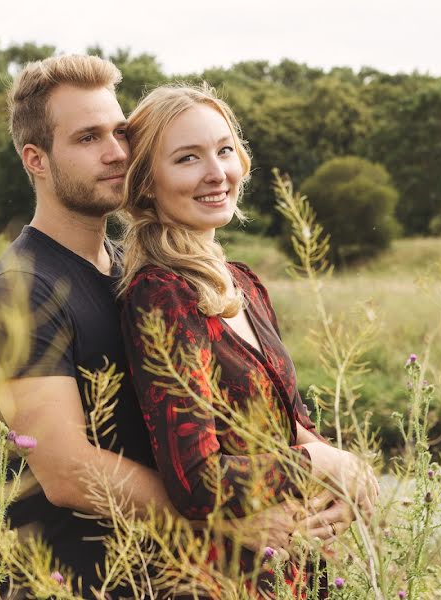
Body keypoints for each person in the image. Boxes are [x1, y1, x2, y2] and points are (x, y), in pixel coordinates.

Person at [0, 55, 350, 598]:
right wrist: (221, 520)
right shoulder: (22, 288)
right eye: (87, 139)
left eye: (120, 132)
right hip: (75, 582)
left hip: (170, 577)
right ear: (37, 160)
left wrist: (329, 469)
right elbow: (66, 471)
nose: (116, 152)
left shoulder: (139, 268)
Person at [117, 84, 379, 597]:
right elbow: (197, 482)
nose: (216, 172)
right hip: (219, 579)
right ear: (147, 183)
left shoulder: (242, 281)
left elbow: (292, 425)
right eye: (188, 158)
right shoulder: (162, 296)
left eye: (224, 149)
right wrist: (319, 464)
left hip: (290, 571)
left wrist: (346, 478)